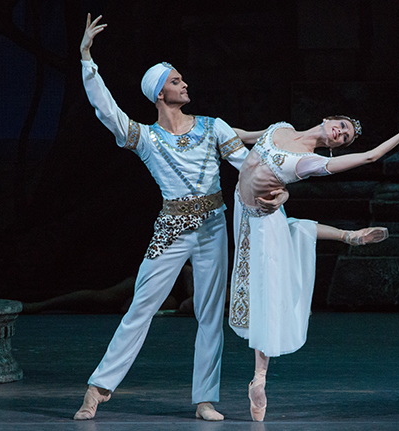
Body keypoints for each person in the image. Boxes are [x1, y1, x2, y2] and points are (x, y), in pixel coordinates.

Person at [73, 14, 289, 421]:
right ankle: (97, 388)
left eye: (183, 79)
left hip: (212, 227)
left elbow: (249, 165)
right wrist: (87, 59)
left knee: (210, 314)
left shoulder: (212, 127)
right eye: (175, 81)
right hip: (171, 231)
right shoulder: (146, 137)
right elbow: (108, 111)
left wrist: (276, 188)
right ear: (158, 93)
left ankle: (205, 399)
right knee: (140, 308)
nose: (184, 84)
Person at [229, 101, 399, 421]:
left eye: (344, 138)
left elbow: (369, 156)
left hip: (264, 217)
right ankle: (350, 236)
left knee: (269, 288)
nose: (341, 134)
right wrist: (199, 132)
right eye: (341, 127)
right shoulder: (280, 128)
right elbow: (240, 136)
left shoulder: (310, 162)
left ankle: (259, 379)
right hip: (243, 207)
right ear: (328, 119)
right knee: (295, 231)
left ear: (335, 147)